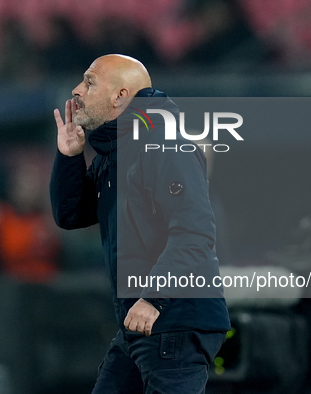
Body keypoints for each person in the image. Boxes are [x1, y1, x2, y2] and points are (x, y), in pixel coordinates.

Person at [49, 54, 230, 393]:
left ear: (120, 96)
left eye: (89, 82)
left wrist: (154, 297)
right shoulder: (119, 149)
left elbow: (195, 232)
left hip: (174, 317)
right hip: (143, 321)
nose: (77, 90)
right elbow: (70, 215)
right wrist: (70, 157)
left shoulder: (163, 144)